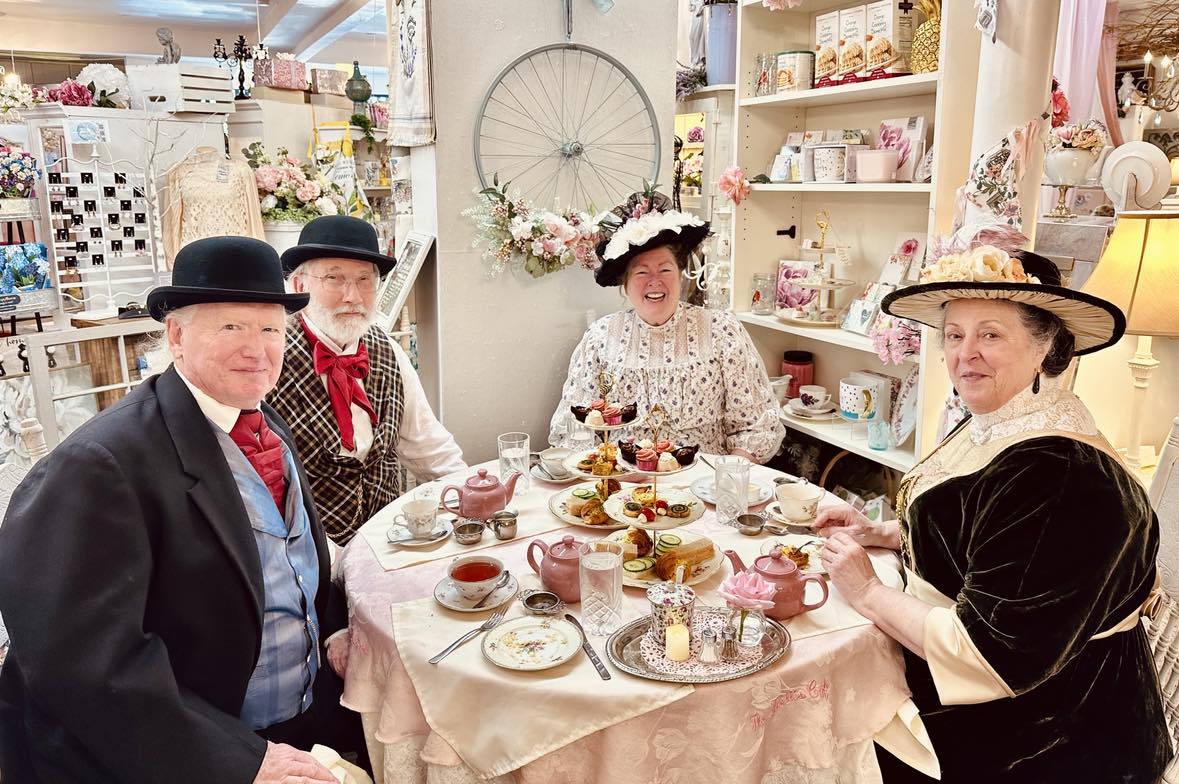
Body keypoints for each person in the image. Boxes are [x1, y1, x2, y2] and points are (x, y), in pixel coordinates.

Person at [0, 237, 365, 783]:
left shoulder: (269, 429)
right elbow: (85, 664)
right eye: (230, 328)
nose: (256, 349)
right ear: (176, 336)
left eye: (270, 330)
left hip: (302, 714)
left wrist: (334, 626)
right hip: (188, 748)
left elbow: (296, 566)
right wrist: (239, 760)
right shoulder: (100, 465)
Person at [816, 247, 1169, 782]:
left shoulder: (1061, 475)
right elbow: (981, 534)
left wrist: (867, 592)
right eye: (954, 335)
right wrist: (887, 532)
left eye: (991, 335)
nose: (966, 355)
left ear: (1046, 344)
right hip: (1008, 688)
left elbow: (994, 655)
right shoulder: (1003, 420)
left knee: (827, 728)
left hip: (1053, 732)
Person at [269, 215, 465, 545]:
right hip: (307, 556)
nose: (353, 296)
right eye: (334, 278)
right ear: (300, 286)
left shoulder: (387, 350)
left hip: (390, 541)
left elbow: (428, 447)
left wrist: (471, 496)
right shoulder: (269, 357)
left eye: (364, 280)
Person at [549, 191, 784, 462]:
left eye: (665, 269)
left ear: (681, 276)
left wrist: (726, 481)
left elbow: (756, 425)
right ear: (624, 285)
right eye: (641, 272)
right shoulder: (601, 338)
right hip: (622, 488)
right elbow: (572, 427)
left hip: (703, 484)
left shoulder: (721, 331)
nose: (654, 281)